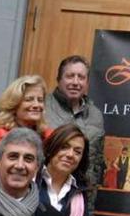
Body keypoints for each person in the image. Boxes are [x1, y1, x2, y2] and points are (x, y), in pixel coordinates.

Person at [0, 75, 50, 182]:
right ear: (14, 104)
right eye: (29, 99)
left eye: (40, 100)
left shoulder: (49, 138)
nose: (36, 105)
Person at [44, 55, 106, 189]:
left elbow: (96, 164)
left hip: (80, 193)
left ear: (87, 83)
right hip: (45, 191)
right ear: (59, 79)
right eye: (70, 76)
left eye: (81, 77)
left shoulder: (96, 116)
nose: (75, 82)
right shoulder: (42, 108)